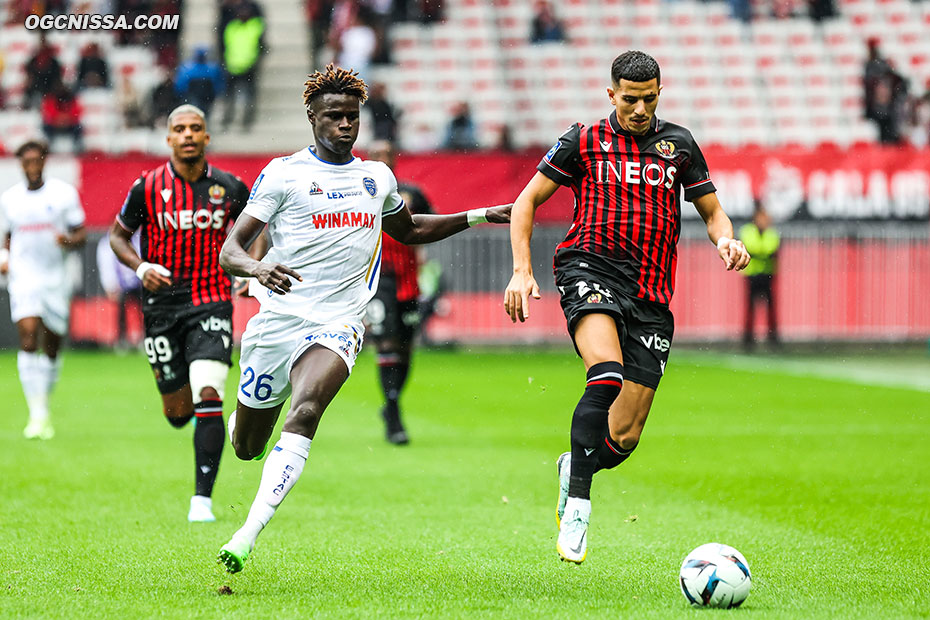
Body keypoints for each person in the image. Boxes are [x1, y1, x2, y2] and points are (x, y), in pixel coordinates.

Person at [215, 64, 510, 573]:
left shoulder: (375, 177)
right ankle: (243, 418)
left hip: (339, 322)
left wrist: (478, 214)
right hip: (279, 321)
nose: (345, 125)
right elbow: (231, 251)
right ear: (312, 116)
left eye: (352, 117)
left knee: (305, 411)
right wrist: (258, 268)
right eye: (334, 116)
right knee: (246, 447)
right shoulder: (283, 174)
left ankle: (247, 533)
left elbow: (410, 229)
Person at [503, 51, 750, 564]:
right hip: (588, 270)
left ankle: (577, 466)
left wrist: (726, 239)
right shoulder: (583, 140)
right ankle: (577, 507)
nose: (640, 108)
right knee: (606, 373)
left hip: (652, 296)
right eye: (630, 98)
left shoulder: (678, 145)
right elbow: (526, 202)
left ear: (660, 93)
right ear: (611, 93)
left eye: (649, 98)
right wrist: (522, 271)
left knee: (624, 436)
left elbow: (712, 211)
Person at [108, 104, 254, 523]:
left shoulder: (228, 187)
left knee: (210, 392)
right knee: (177, 413)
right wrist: (140, 266)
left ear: (207, 137)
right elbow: (119, 236)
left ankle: (201, 501)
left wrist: (248, 270)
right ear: (169, 138)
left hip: (211, 299)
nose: (188, 135)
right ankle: (194, 420)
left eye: (196, 128)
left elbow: (255, 231)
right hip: (161, 306)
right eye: (180, 129)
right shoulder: (146, 187)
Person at [0, 140, 86, 440]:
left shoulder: (63, 195)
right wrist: (5, 258)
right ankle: (35, 414)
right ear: (21, 165)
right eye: (27, 162)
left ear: (45, 161)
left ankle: (43, 406)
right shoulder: (10, 200)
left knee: (52, 345)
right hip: (24, 277)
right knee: (28, 333)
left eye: (37, 160)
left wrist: (69, 241)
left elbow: (81, 233)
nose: (33, 166)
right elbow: (8, 236)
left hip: (55, 278)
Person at [365, 140, 434, 445]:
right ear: (368, 160)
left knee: (405, 349)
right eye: (377, 156)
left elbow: (431, 222)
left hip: (409, 280)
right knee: (387, 343)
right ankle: (393, 412)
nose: (383, 160)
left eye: (387, 156)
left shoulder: (411, 193)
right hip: (377, 278)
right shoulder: (358, 191)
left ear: (394, 160)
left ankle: (391, 402)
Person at [739, 204, 780, 350]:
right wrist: (761, 255)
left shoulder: (771, 233)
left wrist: (759, 254)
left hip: (768, 275)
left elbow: (770, 251)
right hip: (752, 275)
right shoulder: (748, 232)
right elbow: (755, 250)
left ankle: (773, 338)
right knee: (750, 308)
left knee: (771, 309)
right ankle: (748, 339)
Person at [222, 1, 266, 131]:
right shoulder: (232, 27)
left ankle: (246, 121)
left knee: (248, 96)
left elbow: (261, 45)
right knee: (229, 97)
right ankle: (228, 120)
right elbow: (226, 45)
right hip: (232, 65)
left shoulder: (256, 26)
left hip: (249, 66)